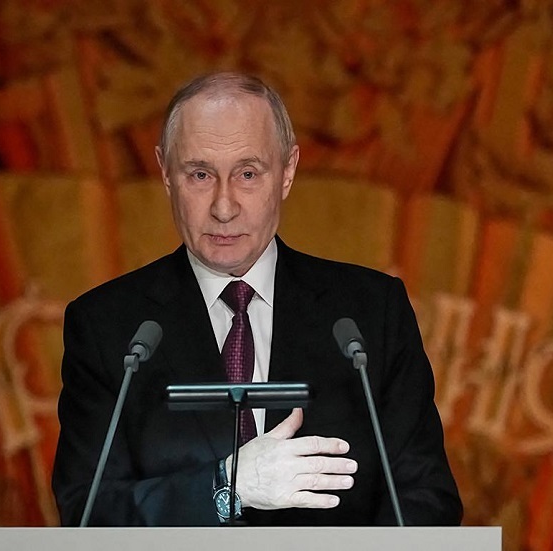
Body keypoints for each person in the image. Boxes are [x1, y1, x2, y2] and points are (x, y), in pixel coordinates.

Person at [51, 72, 462, 526]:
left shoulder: (371, 314)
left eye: (247, 174)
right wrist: (226, 486)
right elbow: (88, 513)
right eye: (200, 174)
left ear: (287, 172)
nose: (224, 207)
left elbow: (426, 500)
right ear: (166, 173)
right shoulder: (106, 327)